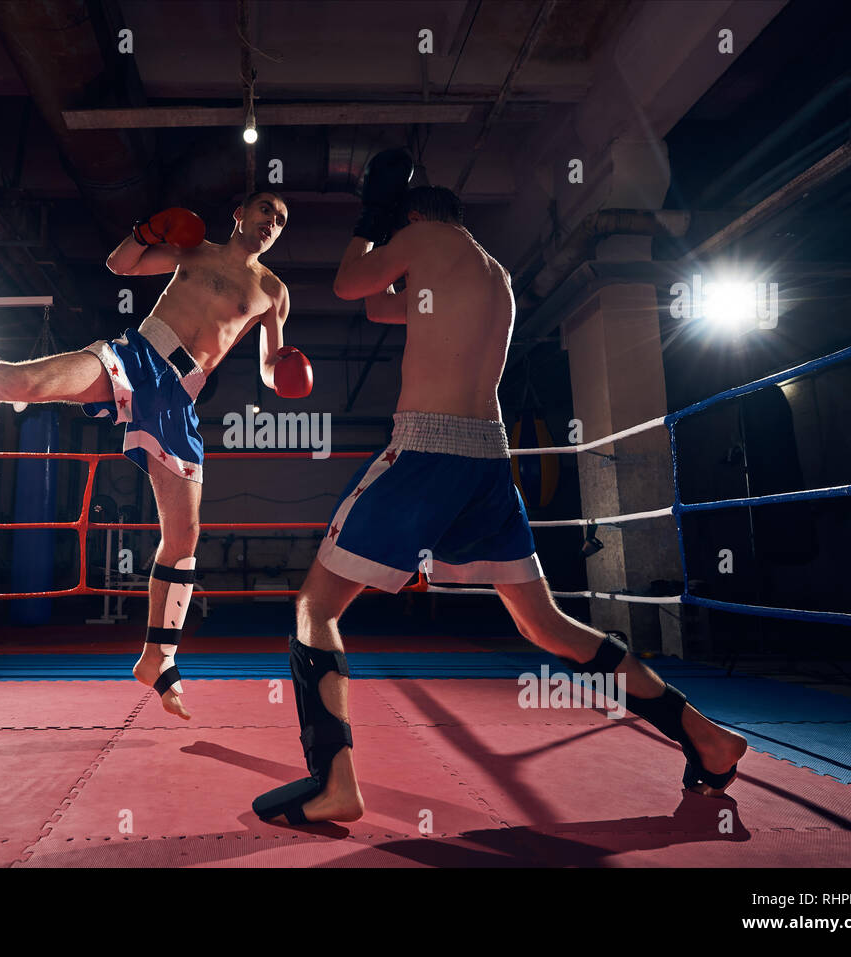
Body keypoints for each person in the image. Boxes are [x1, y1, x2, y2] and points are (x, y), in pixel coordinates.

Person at [252, 153, 748, 824]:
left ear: (414, 219)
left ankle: (335, 783)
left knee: (316, 606)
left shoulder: (421, 238)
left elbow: (347, 284)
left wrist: (370, 217)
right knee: (545, 625)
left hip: (427, 449)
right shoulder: (493, 274)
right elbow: (378, 306)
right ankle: (704, 735)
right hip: (488, 458)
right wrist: (386, 240)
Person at [0, 192, 313, 720]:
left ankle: (159, 658)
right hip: (136, 357)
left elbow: (270, 364)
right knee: (24, 379)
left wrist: (286, 373)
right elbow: (120, 265)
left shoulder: (274, 291)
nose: (273, 223)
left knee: (185, 536)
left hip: (180, 396)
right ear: (240, 214)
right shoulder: (194, 249)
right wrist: (145, 231)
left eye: (282, 219)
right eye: (267, 210)